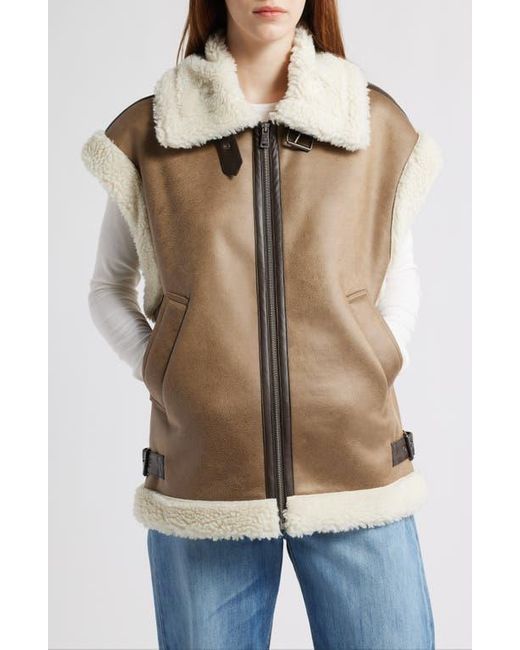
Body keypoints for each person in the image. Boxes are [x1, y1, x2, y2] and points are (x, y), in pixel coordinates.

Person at [82, 1, 442, 648]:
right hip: (204, 481)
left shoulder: (367, 121)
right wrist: (166, 373)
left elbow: (399, 275)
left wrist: (377, 360)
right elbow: (109, 288)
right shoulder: (157, 131)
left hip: (358, 468)